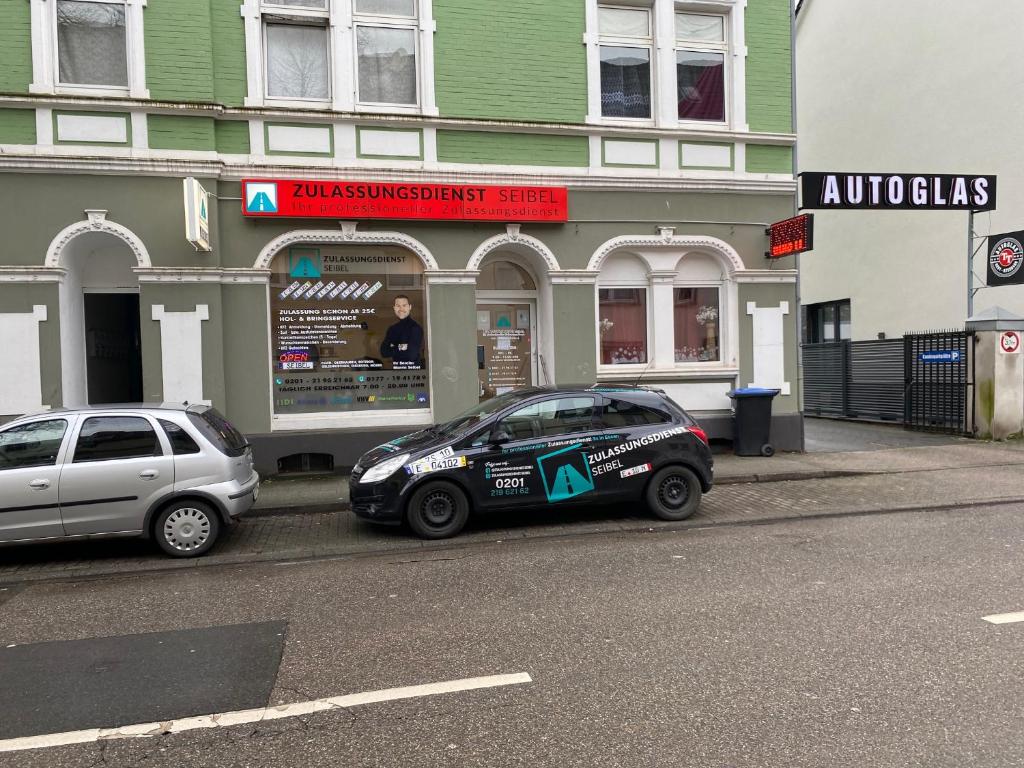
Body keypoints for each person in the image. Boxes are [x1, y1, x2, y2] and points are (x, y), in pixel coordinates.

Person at [380, 294, 423, 367]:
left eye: (404, 305)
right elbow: (384, 352)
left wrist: (393, 346)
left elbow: (412, 355)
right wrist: (403, 346)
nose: (401, 309)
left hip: (412, 371)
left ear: (410, 307)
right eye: (398, 306)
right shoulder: (392, 329)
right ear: (394, 308)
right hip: (397, 370)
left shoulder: (415, 328)